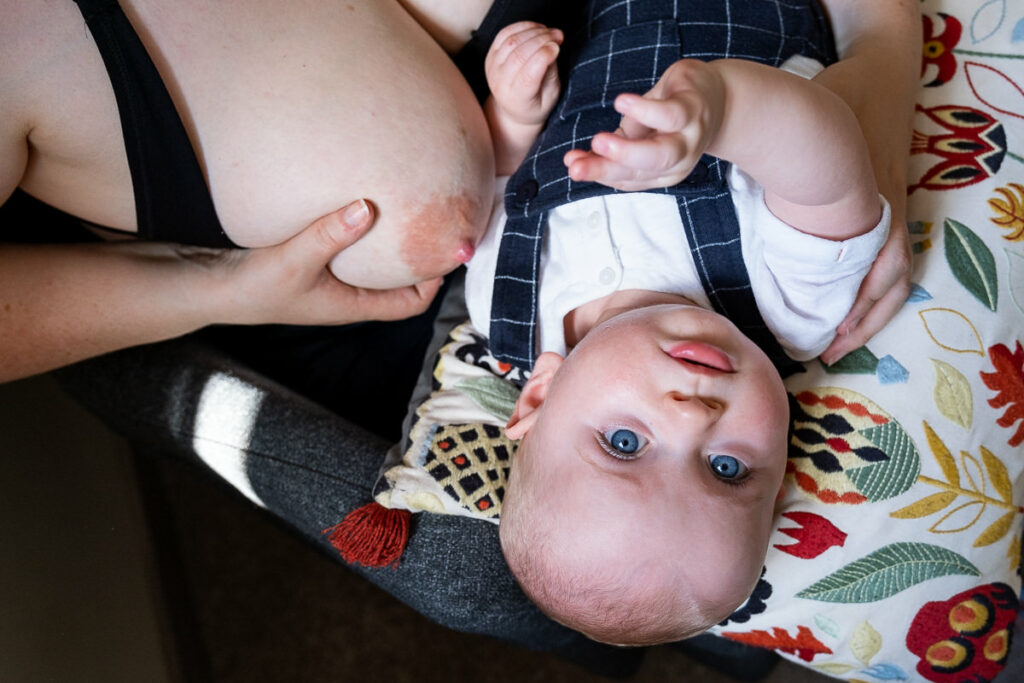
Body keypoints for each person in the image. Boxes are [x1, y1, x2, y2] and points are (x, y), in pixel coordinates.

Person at [463, 0, 895, 646]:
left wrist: (516, 116)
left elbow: (499, 179)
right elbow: (831, 160)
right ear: (779, 468)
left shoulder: (504, 305)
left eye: (625, 444)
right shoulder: (793, 308)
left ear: (540, 393)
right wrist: (721, 110)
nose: (694, 416)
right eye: (727, 468)